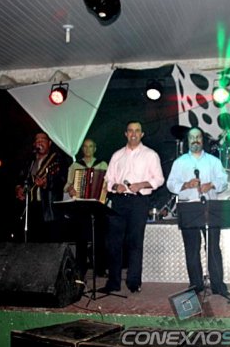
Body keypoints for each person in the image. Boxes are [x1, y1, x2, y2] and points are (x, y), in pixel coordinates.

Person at [166, 127, 230, 296]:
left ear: (203, 140)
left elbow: (224, 181)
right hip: (188, 207)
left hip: (210, 207)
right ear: (187, 141)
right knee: (192, 248)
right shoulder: (179, 162)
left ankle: (218, 285)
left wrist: (212, 185)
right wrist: (186, 185)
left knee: (213, 247)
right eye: (192, 137)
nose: (195, 140)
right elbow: (170, 184)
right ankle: (196, 285)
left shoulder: (213, 161)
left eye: (198, 137)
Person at [102, 120, 164, 293]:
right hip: (119, 201)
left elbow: (159, 179)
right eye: (130, 130)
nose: (134, 134)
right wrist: (116, 186)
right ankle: (113, 283)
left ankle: (133, 282)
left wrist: (141, 184)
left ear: (142, 134)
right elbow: (108, 180)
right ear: (126, 134)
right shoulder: (117, 155)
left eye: (137, 131)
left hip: (139, 201)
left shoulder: (150, 155)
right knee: (114, 242)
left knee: (135, 242)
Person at [63, 137, 109, 277]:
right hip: (81, 205)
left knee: (100, 237)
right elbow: (67, 185)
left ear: (95, 149)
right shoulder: (75, 166)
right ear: (82, 149)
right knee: (80, 238)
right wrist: (70, 189)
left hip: (97, 204)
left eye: (90, 146)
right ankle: (80, 269)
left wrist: (105, 190)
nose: (88, 149)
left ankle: (100, 268)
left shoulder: (102, 164)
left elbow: (108, 181)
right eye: (85, 146)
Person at [15, 131, 68, 242]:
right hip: (31, 208)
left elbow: (62, 180)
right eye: (37, 141)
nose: (39, 142)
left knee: (49, 243)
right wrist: (18, 188)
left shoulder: (57, 159)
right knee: (32, 243)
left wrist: (46, 184)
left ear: (49, 143)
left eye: (42, 140)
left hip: (49, 208)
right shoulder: (30, 161)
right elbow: (20, 177)